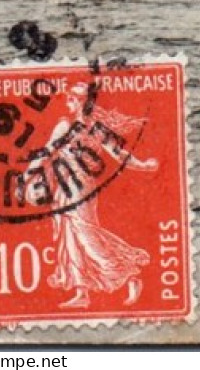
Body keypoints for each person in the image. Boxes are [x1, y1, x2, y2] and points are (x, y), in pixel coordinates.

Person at [38, 85, 158, 310]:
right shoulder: (64, 126)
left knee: (86, 235)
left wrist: (142, 165)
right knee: (69, 237)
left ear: (84, 102)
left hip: (83, 187)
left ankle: (129, 276)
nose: (69, 103)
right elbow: (47, 153)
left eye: (74, 99)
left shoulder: (96, 129)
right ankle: (81, 291)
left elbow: (118, 153)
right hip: (63, 187)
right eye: (70, 99)